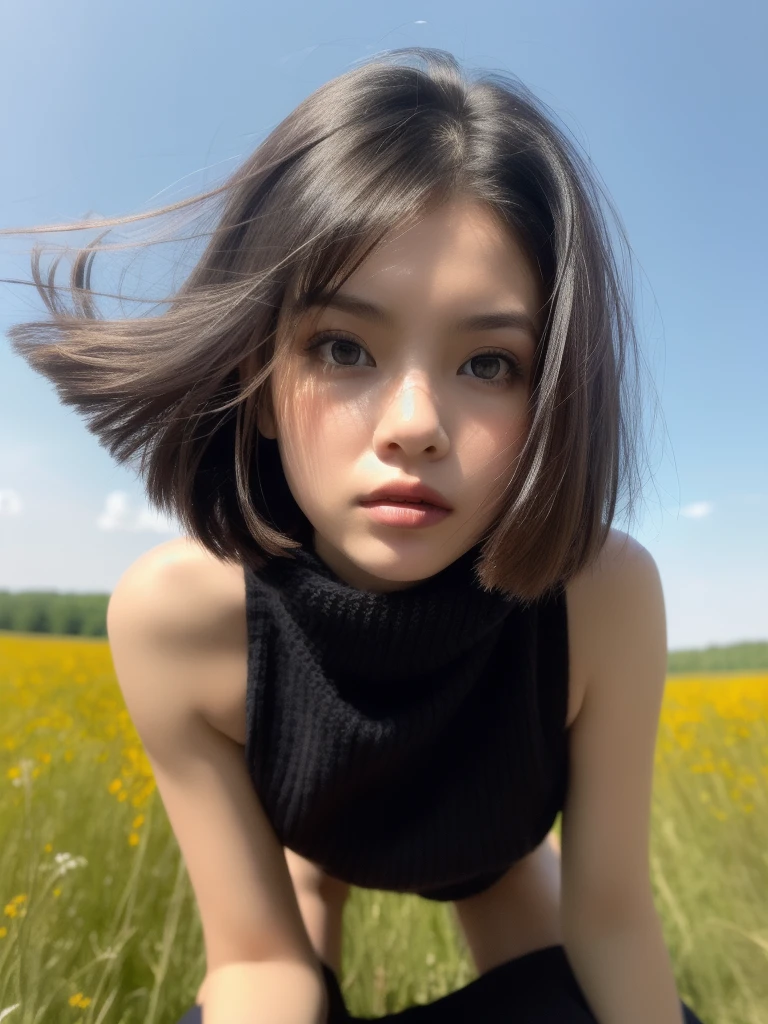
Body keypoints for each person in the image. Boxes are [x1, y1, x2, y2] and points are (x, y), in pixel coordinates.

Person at [2, 48, 707, 1024]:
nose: (414, 420)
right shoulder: (175, 623)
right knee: (298, 922)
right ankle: (319, 878)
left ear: (552, 397)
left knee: (557, 981)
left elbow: (614, 919)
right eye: (344, 347)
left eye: (491, 362)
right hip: (309, 847)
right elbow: (254, 961)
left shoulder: (603, 595)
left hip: (494, 850)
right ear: (255, 381)